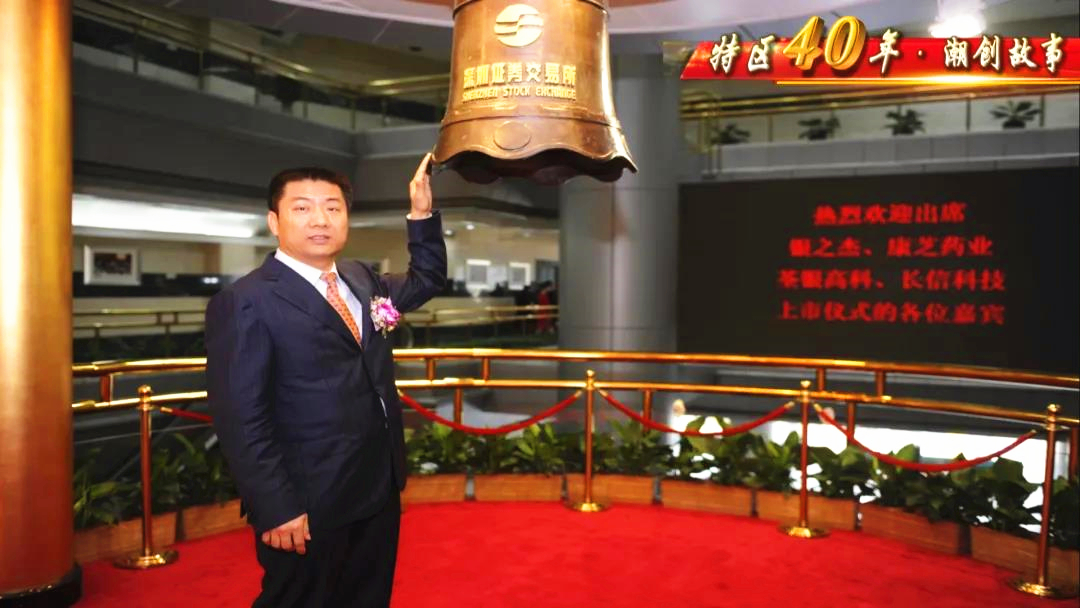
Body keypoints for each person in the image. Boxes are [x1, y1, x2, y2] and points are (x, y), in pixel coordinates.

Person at [205, 154, 446, 607]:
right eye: (302, 208)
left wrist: (421, 213)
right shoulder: (246, 301)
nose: (320, 219)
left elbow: (428, 278)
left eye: (333, 208)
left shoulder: (360, 278)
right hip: (307, 499)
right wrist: (276, 506)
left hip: (376, 485)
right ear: (274, 221)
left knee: (367, 597)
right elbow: (241, 417)